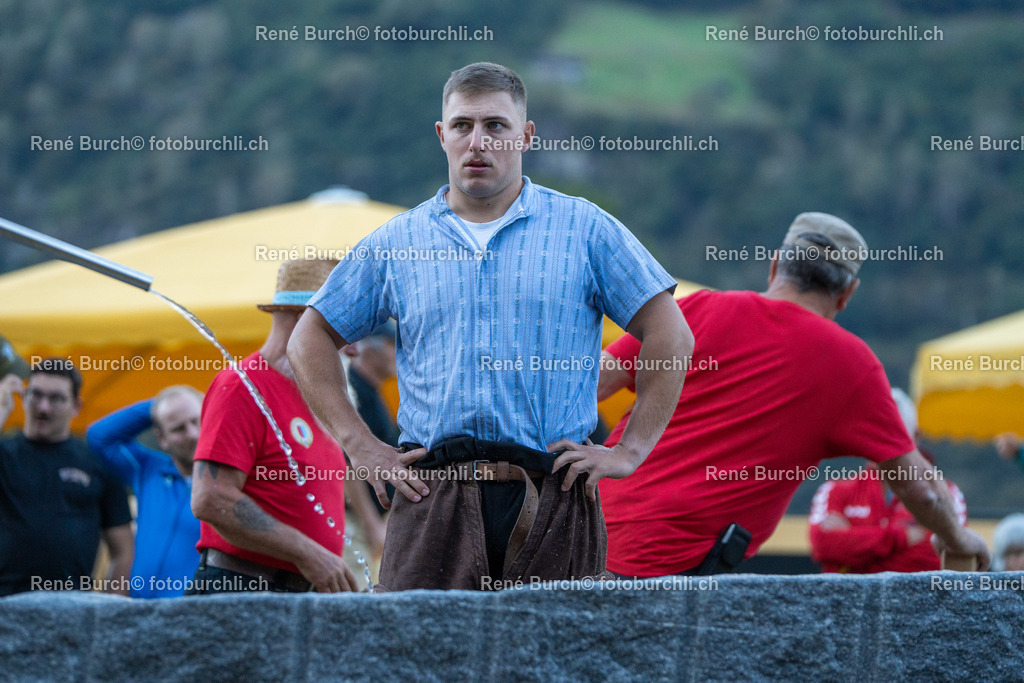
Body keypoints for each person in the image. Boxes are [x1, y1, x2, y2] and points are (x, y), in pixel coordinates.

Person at [288, 62, 692, 591]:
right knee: (419, 667)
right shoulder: (396, 242)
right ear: (442, 135)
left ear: (525, 135)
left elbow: (673, 337)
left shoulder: (585, 229)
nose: (477, 140)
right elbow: (308, 338)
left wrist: (629, 450)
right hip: (433, 498)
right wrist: (361, 446)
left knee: (556, 670)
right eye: (462, 125)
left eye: (496, 126)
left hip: (553, 495)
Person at [598, 212, 991, 577]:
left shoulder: (698, 309)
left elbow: (592, 382)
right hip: (663, 574)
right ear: (847, 293)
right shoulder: (851, 365)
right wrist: (956, 537)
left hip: (579, 537)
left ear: (774, 266)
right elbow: (918, 486)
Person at [188, 259, 358, 594]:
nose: (352, 347)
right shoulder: (243, 386)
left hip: (289, 595)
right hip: (241, 593)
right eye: (343, 328)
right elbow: (210, 498)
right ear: (304, 320)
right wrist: (311, 555)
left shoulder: (313, 396)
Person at [1, 358, 134, 596]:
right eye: (35, 395)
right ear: (23, 397)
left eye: (56, 398)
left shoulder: (98, 462)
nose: (43, 407)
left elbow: (123, 550)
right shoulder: (4, 454)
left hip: (71, 608)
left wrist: (110, 613)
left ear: (76, 406)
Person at [808, 388, 969, 573]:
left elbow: (937, 558)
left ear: (916, 436)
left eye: (890, 435)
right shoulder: (834, 490)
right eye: (869, 433)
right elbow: (822, 545)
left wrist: (855, 551)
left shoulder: (946, 493)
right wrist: (901, 537)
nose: (878, 444)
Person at [87, 386, 204, 598]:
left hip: (193, 614)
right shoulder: (148, 469)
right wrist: (164, 405)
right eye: (178, 428)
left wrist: (187, 403)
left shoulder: (228, 481)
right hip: (140, 615)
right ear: (162, 438)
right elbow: (99, 437)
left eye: (197, 421)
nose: (193, 434)